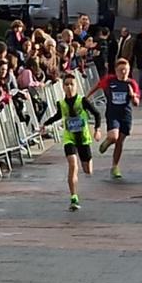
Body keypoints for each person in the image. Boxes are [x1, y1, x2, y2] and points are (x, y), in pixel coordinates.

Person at [56, 71, 100, 211]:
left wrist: (97, 129)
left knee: (88, 170)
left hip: (84, 138)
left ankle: (86, 165)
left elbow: (97, 114)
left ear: (76, 87)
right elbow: (57, 115)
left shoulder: (82, 101)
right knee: (72, 164)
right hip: (69, 138)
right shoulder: (61, 103)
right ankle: (73, 197)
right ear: (63, 87)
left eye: (72, 84)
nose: (69, 87)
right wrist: (45, 124)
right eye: (66, 85)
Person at [95, 58, 142, 179]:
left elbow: (137, 103)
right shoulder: (110, 80)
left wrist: (132, 96)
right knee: (114, 137)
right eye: (120, 70)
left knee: (120, 141)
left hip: (126, 115)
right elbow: (97, 86)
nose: (123, 72)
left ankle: (115, 166)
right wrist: (86, 97)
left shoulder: (131, 84)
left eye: (125, 70)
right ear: (115, 70)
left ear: (129, 70)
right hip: (112, 113)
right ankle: (108, 141)